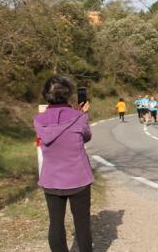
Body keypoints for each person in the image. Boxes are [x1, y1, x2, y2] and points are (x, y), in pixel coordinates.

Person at [34, 76, 93, 252]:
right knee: (82, 223)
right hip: (79, 178)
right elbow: (86, 137)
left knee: (55, 223)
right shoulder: (79, 117)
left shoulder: (39, 120)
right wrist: (82, 114)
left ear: (46, 95)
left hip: (51, 180)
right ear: (68, 94)